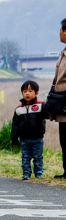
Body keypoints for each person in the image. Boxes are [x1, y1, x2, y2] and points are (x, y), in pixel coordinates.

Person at [10, 79, 44, 180]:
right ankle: (26, 172)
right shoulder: (19, 109)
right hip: (24, 138)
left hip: (37, 137)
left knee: (38, 156)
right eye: (24, 91)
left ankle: (38, 172)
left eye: (30, 91)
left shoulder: (40, 106)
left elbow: (48, 115)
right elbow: (15, 125)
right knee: (25, 156)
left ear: (36, 93)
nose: (27, 93)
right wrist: (14, 138)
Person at [49, 18, 66, 178]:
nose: (59, 34)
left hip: (65, 102)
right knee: (64, 140)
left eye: (60, 30)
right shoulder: (64, 52)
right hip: (61, 103)